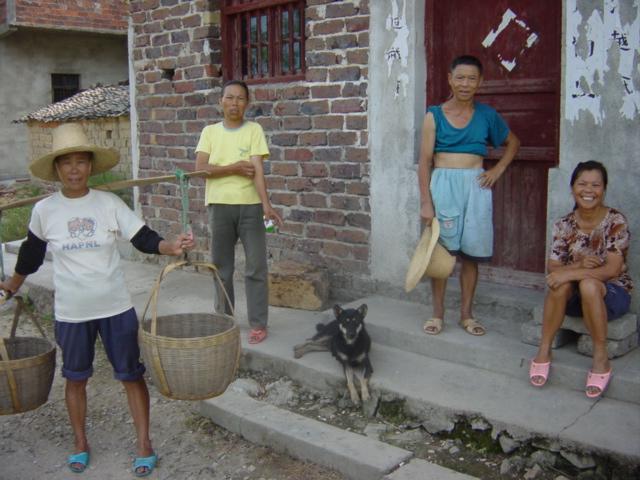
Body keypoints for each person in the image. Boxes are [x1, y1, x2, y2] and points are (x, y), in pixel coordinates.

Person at [0, 123, 194, 477]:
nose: (74, 169)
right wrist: (10, 285)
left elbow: (143, 238)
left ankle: (144, 443)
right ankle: (79, 442)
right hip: (72, 313)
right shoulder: (45, 211)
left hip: (115, 308)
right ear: (57, 169)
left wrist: (171, 247)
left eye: (81, 161)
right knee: (75, 379)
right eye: (66, 162)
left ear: (91, 166)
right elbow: (30, 255)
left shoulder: (109, 203)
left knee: (131, 376)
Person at [417, 55, 520, 336]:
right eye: (460, 77)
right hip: (444, 186)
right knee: (441, 253)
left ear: (480, 82)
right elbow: (425, 161)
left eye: (471, 78)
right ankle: (437, 314)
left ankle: (466, 315)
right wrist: (426, 202)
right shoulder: (434, 115)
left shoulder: (487, 115)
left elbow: (513, 143)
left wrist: (497, 171)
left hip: (476, 188)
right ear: (450, 79)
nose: (465, 84)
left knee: (471, 255)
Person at [529, 161, 632, 398]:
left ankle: (600, 357)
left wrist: (572, 272)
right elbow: (554, 268)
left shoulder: (615, 221)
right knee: (561, 285)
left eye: (595, 185)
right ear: (572, 187)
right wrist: (577, 266)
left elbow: (612, 270)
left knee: (587, 284)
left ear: (604, 189)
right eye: (582, 184)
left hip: (612, 296)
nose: (588, 190)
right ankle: (544, 349)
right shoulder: (564, 225)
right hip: (575, 300)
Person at [194, 79, 283, 345]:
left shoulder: (254, 130)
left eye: (240, 99)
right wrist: (233, 167)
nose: (234, 103)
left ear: (247, 103)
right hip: (220, 206)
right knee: (222, 267)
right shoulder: (209, 132)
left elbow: (257, 169)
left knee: (256, 266)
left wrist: (266, 205)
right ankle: (225, 319)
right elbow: (200, 169)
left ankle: (258, 323)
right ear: (221, 101)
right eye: (229, 98)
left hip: (251, 207)